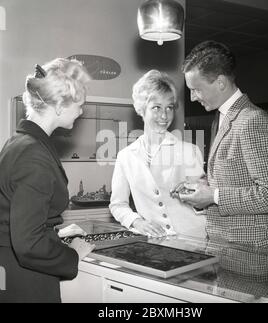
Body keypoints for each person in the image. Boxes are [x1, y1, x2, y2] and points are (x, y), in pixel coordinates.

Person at [172, 41, 268, 281]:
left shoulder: (252, 121)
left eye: (196, 89)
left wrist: (213, 196)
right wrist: (202, 183)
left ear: (220, 82)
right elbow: (238, 174)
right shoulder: (224, 117)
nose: (193, 98)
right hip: (226, 251)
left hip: (250, 256)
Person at [0, 58, 95, 303]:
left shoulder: (17, 143)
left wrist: (54, 232)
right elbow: (28, 244)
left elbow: (15, 216)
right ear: (61, 107)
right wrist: (72, 254)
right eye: (80, 105)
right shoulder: (34, 155)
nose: (82, 111)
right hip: (26, 282)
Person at [109, 70, 206, 238]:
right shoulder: (126, 156)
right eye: (156, 107)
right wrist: (137, 222)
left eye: (169, 107)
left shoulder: (190, 151)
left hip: (193, 239)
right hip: (156, 243)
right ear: (141, 109)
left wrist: (193, 194)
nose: (164, 115)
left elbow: (203, 203)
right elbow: (118, 205)